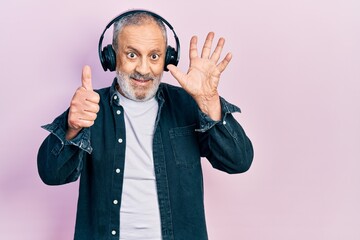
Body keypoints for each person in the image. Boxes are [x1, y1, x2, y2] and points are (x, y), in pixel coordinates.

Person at [37, 9, 253, 240]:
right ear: (111, 56)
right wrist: (72, 129)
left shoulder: (189, 103)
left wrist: (209, 102)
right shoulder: (88, 107)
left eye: (154, 56)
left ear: (167, 59)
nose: (143, 69)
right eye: (132, 55)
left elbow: (238, 161)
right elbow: (51, 175)